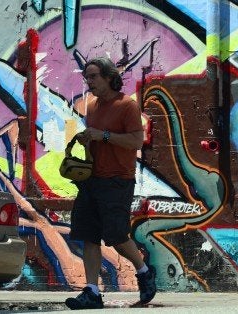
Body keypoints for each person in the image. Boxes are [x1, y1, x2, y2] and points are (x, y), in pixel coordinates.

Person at [65, 57, 156, 309]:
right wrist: (87, 139)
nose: (89, 82)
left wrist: (103, 136)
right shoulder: (92, 107)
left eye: (93, 76)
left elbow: (136, 141)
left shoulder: (127, 106)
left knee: (116, 235)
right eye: (87, 78)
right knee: (88, 235)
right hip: (92, 179)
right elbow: (97, 138)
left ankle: (144, 271)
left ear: (108, 77)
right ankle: (92, 291)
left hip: (118, 180)